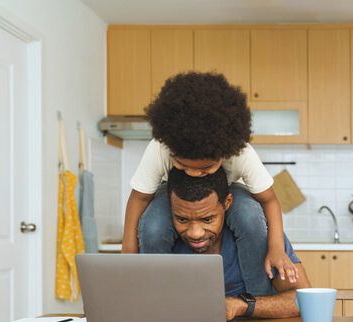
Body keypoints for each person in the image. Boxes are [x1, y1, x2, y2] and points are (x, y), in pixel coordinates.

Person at [122, 71, 297, 295]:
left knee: (250, 217)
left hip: (230, 190)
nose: (194, 174)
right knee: (153, 227)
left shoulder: (241, 153)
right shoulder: (160, 147)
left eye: (206, 168)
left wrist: (276, 248)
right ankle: (159, 298)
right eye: (182, 165)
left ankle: (257, 296)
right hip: (174, 194)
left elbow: (269, 200)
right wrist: (128, 250)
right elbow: (140, 197)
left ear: (225, 153)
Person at [167, 166, 310, 320]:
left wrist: (241, 306)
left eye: (207, 219)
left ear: (227, 203)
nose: (195, 233)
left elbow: (304, 300)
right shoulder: (162, 241)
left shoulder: (260, 235)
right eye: (182, 219)